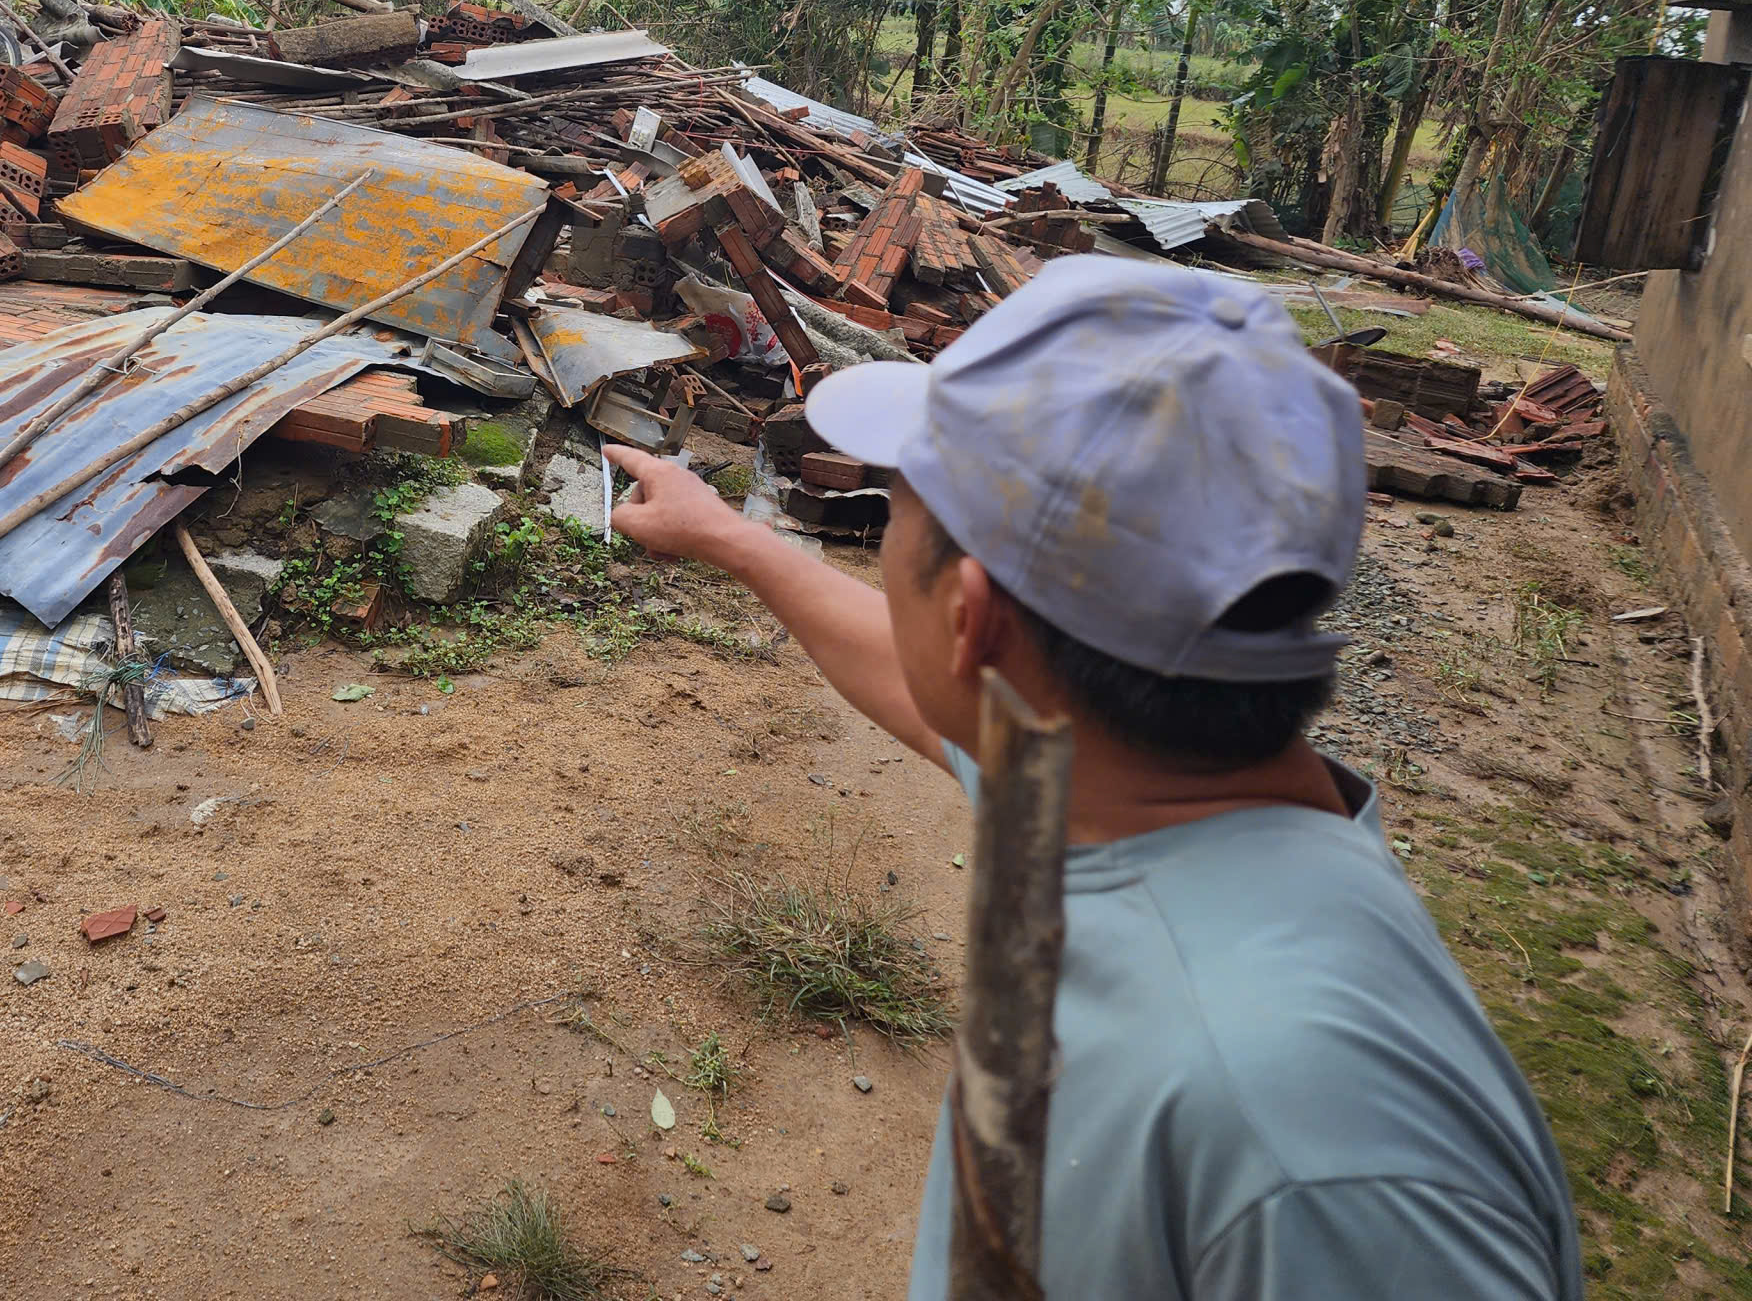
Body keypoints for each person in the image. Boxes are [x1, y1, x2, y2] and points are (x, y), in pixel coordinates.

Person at [606, 254, 1582, 1299]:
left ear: (971, 619)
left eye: (897, 506)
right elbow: (939, 693)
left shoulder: (1303, 1152)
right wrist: (729, 538)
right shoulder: (1141, 791)